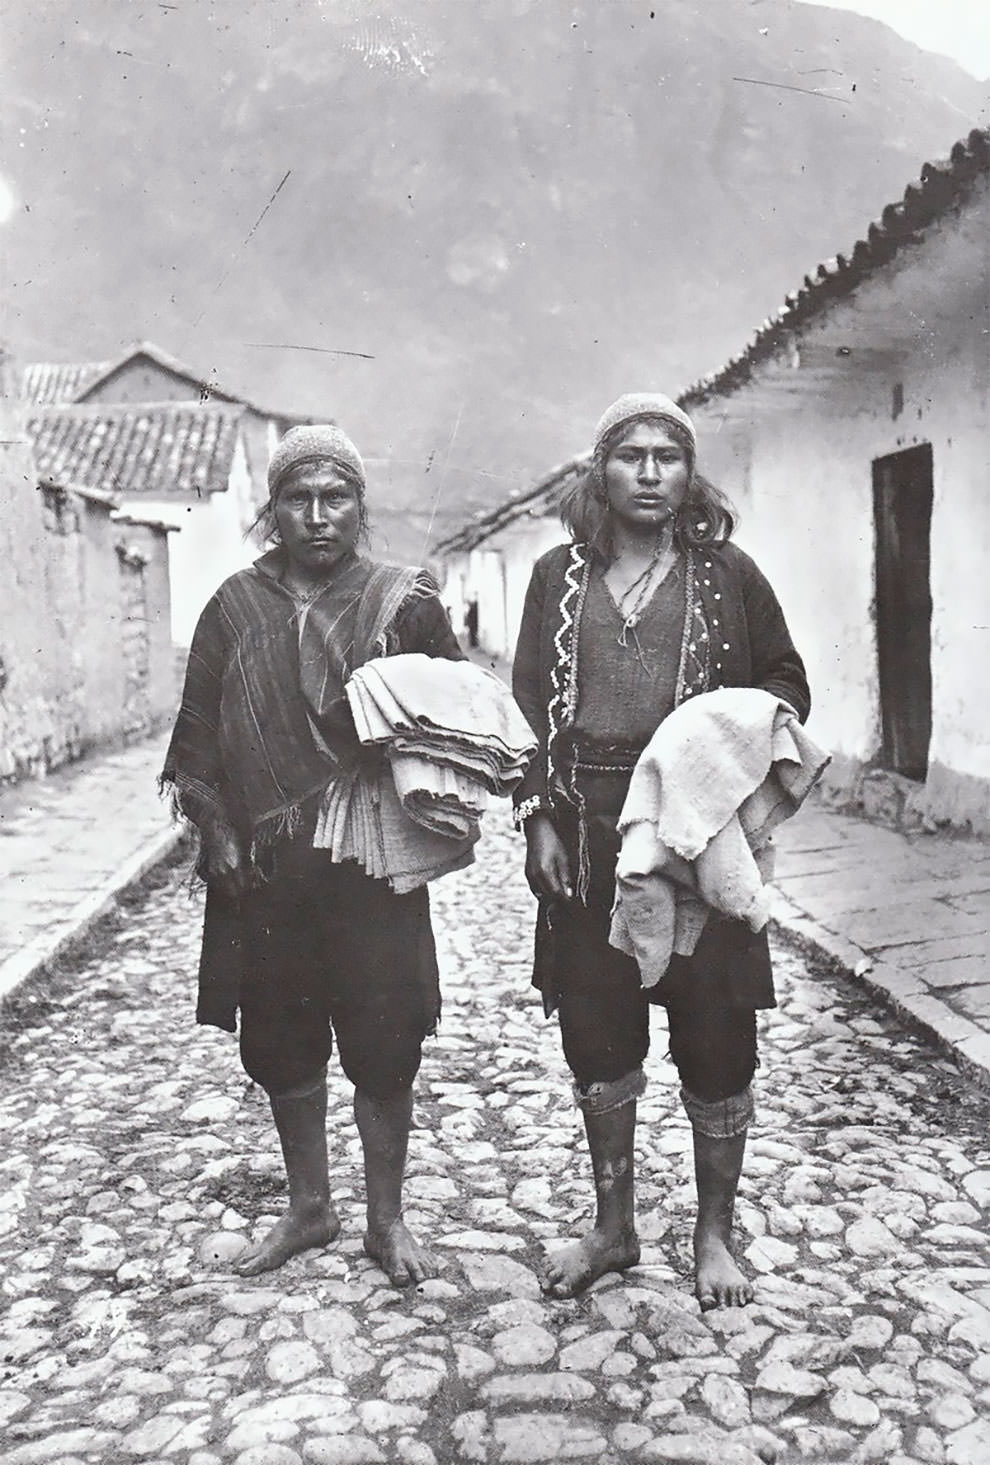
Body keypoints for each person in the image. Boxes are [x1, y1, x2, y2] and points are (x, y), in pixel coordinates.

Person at [511, 393, 811, 1308]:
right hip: (593, 833)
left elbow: (786, 682)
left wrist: (724, 756)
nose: (649, 472)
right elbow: (525, 709)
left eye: (667, 456)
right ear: (599, 471)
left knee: (718, 1035)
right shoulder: (557, 578)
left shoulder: (728, 576)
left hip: (698, 833)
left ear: (690, 473)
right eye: (630, 455)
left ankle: (714, 1235)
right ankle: (613, 1227)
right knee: (599, 1034)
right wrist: (540, 819)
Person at [162, 424, 464, 1286]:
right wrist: (217, 833)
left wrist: (429, 796)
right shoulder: (233, 607)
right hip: (268, 871)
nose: (319, 516)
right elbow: (195, 741)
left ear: (360, 508)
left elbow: (455, 716)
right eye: (300, 498)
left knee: (385, 1036)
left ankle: (386, 1217)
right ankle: (308, 1207)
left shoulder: (402, 602)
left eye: (337, 498)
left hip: (372, 863)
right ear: (274, 510)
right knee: (283, 1040)